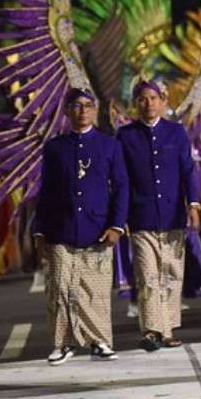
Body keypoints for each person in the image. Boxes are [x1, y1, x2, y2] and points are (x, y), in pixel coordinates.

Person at [34, 88, 129, 365]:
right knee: (61, 287)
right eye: (76, 106)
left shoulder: (109, 144)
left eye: (88, 105)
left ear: (95, 110)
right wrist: (40, 229)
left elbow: (121, 187)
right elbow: (47, 190)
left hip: (98, 228)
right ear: (67, 111)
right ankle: (62, 344)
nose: (83, 111)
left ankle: (100, 341)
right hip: (60, 228)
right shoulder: (55, 147)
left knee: (95, 289)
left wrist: (117, 226)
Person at [116, 79, 200, 352]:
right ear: (135, 104)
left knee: (172, 274)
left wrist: (194, 205)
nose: (149, 103)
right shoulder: (126, 136)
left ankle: (168, 329)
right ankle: (151, 330)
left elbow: (188, 171)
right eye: (142, 98)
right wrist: (121, 216)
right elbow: (122, 180)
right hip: (141, 217)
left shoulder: (176, 133)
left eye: (154, 98)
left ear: (163, 102)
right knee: (148, 275)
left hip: (174, 214)